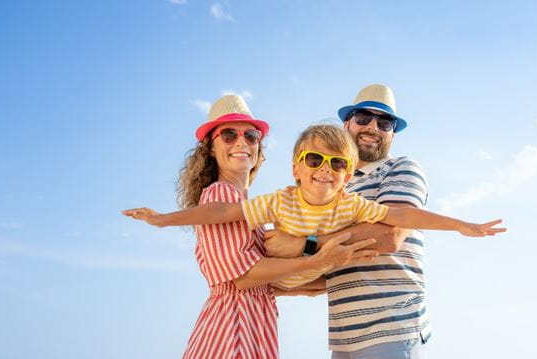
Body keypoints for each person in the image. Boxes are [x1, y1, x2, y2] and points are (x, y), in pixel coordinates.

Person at [129, 95, 379, 359]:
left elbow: (260, 282)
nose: (241, 142)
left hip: (251, 324)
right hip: (231, 329)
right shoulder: (220, 195)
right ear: (210, 149)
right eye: (228, 135)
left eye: (250, 136)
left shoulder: (246, 205)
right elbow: (242, 277)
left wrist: (312, 279)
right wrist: (316, 259)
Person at [264, 84, 499, 358]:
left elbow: (390, 236)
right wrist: (264, 281)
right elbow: (329, 272)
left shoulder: (401, 168)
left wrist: (301, 245)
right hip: (344, 338)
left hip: (393, 327)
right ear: (346, 124)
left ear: (392, 133)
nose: (373, 127)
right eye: (364, 118)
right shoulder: (333, 189)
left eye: (385, 122)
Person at [124, 124, 505, 290]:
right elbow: (223, 213)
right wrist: (164, 219)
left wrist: (459, 225)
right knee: (273, 250)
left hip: (308, 283)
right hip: (275, 285)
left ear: (349, 174)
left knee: (334, 261)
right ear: (295, 169)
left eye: (337, 164)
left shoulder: (351, 203)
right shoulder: (281, 201)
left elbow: (402, 215)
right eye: (314, 160)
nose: (325, 170)